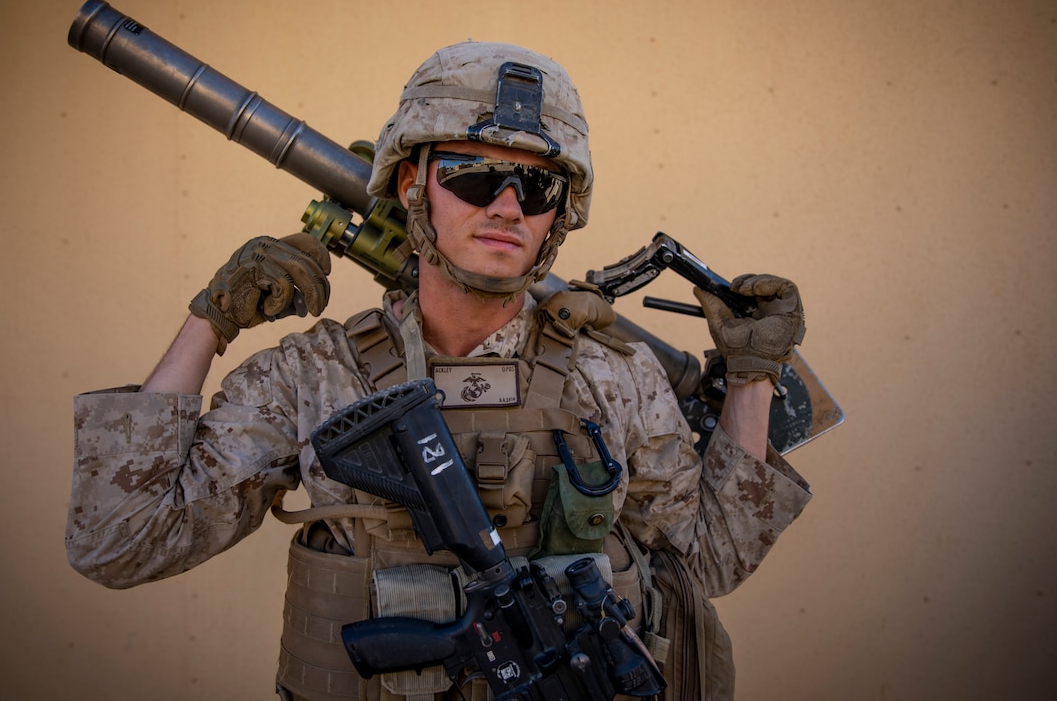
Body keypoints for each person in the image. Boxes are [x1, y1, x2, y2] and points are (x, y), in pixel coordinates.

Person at [66, 41, 812, 701]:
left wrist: (751, 375)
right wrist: (210, 319)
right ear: (411, 185)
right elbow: (122, 542)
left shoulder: (612, 376)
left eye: (539, 187)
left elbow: (708, 562)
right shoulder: (314, 377)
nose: (510, 207)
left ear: (561, 213)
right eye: (476, 178)